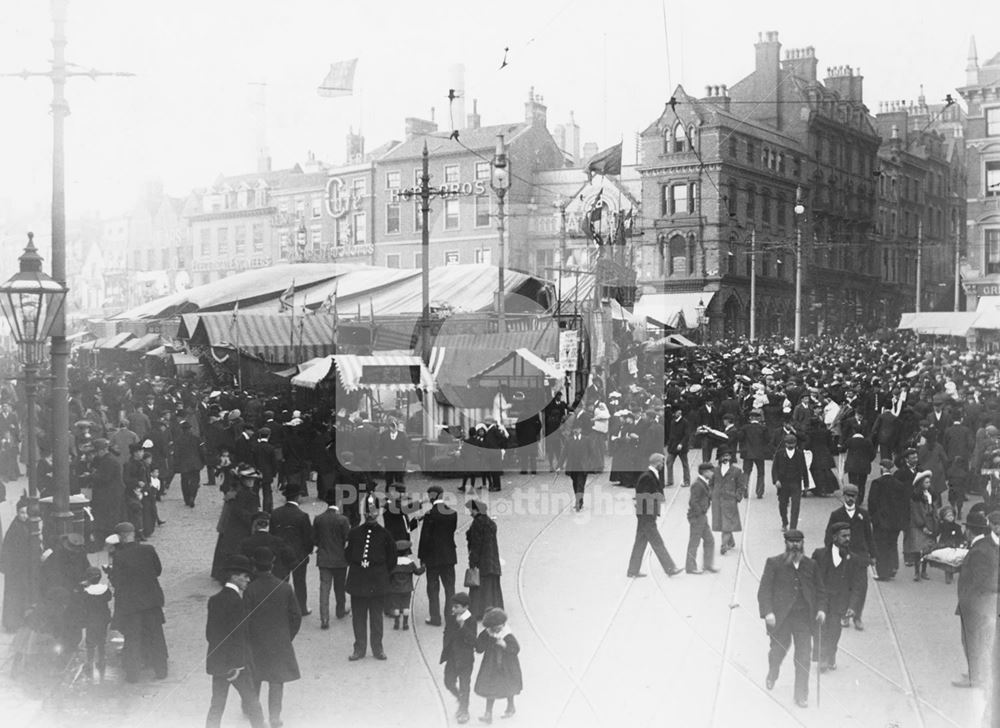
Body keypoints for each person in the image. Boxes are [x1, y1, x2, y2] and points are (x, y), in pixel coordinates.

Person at [757, 529, 826, 709]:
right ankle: (773, 672)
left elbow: (821, 590)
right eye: (791, 542)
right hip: (781, 619)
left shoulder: (811, 565)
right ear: (785, 543)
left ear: (803, 543)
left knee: (803, 656)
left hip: (803, 618)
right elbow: (764, 591)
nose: (795, 545)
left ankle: (801, 695)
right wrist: (768, 612)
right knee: (777, 652)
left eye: (798, 542)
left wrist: (821, 609)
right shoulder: (774, 563)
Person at [204, 554, 266, 728]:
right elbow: (238, 636)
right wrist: (236, 665)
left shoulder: (214, 600)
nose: (248, 579)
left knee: (216, 705)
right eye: (245, 576)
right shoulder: (238, 602)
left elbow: (211, 635)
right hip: (237, 665)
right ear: (234, 576)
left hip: (218, 663)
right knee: (253, 704)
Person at [243, 547, 301, 728]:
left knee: (255, 679)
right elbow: (296, 617)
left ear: (254, 566)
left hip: (256, 643)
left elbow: (244, 619)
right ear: (273, 563)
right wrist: (286, 636)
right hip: (279, 642)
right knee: (276, 681)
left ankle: (255, 717)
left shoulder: (249, 590)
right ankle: (275, 718)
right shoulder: (285, 587)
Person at [109, 521, 168, 683]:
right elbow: (157, 570)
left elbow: (118, 582)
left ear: (120, 537)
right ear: (133, 534)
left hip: (131, 605)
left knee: (133, 638)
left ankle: (132, 675)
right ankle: (161, 670)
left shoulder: (119, 556)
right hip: (151, 601)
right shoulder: (148, 550)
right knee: (156, 635)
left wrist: (110, 574)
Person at [952, 510, 999, 688]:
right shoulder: (986, 546)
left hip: (976, 604)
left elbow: (982, 581)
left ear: (968, 531)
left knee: (972, 640)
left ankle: (975, 677)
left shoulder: (979, 550)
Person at [346, 495, 396, 661]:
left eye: (373, 513)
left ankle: (377, 648)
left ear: (378, 513)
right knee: (358, 618)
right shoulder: (353, 533)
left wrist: (379, 571)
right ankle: (359, 649)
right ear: (363, 514)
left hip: (377, 582)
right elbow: (348, 555)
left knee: (376, 618)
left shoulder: (386, 534)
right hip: (358, 582)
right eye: (368, 513)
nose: (370, 516)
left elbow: (392, 559)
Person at [811, 523, 866, 672]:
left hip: (839, 602)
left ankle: (831, 654)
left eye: (849, 535)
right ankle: (823, 657)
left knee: (835, 630)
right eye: (844, 536)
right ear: (834, 537)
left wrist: (853, 606)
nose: (847, 539)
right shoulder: (820, 554)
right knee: (820, 629)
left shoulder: (854, 559)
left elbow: (857, 585)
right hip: (821, 600)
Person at [824, 483, 874, 629]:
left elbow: (869, 535)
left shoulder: (863, 514)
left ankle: (857, 616)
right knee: (844, 586)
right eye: (847, 496)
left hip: (861, 556)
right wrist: (831, 553)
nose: (850, 499)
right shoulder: (836, 514)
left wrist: (873, 555)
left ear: (857, 497)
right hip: (843, 556)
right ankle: (845, 615)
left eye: (853, 496)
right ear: (843, 496)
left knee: (861, 587)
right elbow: (828, 536)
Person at [628, 453, 683, 578]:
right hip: (646, 516)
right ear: (657, 463)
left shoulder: (650, 475)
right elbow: (642, 496)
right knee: (657, 542)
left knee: (640, 543)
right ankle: (670, 568)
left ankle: (632, 570)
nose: (663, 465)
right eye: (662, 463)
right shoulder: (648, 476)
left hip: (646, 516)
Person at [211, 465, 261, 583]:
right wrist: (254, 520)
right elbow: (241, 511)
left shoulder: (236, 491)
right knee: (237, 551)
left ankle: (221, 573)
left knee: (227, 549)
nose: (251, 481)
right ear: (242, 479)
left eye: (252, 479)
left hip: (231, 526)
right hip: (241, 528)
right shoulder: (247, 494)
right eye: (248, 479)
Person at [270, 484, 314, 615]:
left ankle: (279, 609)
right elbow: (308, 538)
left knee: (280, 582)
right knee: (300, 583)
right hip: (298, 555)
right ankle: (302, 608)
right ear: (298, 497)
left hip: (280, 553)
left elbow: (271, 534)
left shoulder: (275, 513)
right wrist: (308, 551)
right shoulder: (302, 516)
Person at [474, 607, 522, 724]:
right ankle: (488, 713)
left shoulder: (507, 635)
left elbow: (516, 649)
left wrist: (505, 645)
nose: (495, 630)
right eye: (493, 628)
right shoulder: (487, 633)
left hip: (507, 665)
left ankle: (510, 707)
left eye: (498, 627)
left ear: (503, 624)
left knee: (508, 686)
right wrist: (481, 643)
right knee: (491, 687)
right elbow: (479, 647)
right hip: (491, 665)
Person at [418, 484, 458, 627]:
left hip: (432, 558)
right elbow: (451, 532)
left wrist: (422, 558)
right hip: (448, 556)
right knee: (450, 588)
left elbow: (425, 538)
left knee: (433, 589)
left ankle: (435, 617)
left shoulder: (430, 515)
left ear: (431, 496)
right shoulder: (452, 513)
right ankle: (450, 616)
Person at [313, 490, 351, 628]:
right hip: (340, 559)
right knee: (340, 587)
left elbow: (315, 539)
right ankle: (340, 610)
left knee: (324, 589)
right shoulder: (343, 520)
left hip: (323, 558)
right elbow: (347, 540)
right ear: (339, 502)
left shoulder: (318, 518)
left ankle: (324, 618)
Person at [867, 459, 910, 581]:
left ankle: (883, 572)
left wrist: (873, 518)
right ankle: (893, 568)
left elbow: (872, 502)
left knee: (881, 546)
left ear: (882, 468)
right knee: (892, 544)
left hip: (881, 522)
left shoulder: (877, 483)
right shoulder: (899, 484)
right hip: (895, 522)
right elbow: (904, 504)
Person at [441, 592, 477, 725]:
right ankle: (460, 699)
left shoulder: (471, 620)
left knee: (464, 685)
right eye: (453, 607)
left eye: (456, 607)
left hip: (465, 659)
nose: (453, 609)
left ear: (465, 607)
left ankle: (464, 710)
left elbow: (474, 641)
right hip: (452, 657)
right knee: (448, 682)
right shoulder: (451, 618)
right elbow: (447, 631)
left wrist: (463, 627)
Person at [466, 499, 504, 620]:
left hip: (482, 562)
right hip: (492, 562)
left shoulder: (477, 523)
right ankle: (493, 609)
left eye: (471, 510)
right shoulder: (490, 523)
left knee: (479, 587)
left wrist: (473, 562)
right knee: (491, 587)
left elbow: (476, 545)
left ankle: (478, 612)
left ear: (476, 510)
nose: (470, 512)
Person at [1, 498, 34, 632]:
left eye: (27, 513)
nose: (25, 516)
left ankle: (16, 621)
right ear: (17, 513)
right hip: (15, 569)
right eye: (22, 513)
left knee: (18, 595)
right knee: (14, 595)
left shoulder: (22, 525)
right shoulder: (16, 528)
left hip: (19, 568)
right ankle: (12, 624)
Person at [75, 565, 112, 682]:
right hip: (103, 618)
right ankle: (101, 660)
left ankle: (89, 662)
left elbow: (81, 601)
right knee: (102, 640)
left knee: (90, 642)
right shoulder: (105, 589)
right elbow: (109, 597)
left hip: (91, 619)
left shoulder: (86, 591)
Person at [685, 462, 719, 574]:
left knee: (709, 540)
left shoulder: (704, 483)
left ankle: (707, 565)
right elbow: (693, 502)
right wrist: (700, 512)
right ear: (704, 472)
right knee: (694, 542)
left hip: (701, 517)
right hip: (697, 517)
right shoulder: (697, 484)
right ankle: (690, 567)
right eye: (710, 471)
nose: (712, 473)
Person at [711, 450, 747, 556]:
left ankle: (724, 545)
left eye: (728, 456)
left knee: (726, 523)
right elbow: (710, 484)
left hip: (730, 500)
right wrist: (711, 495)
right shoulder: (715, 470)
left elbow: (741, 486)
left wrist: (737, 497)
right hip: (717, 501)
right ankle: (731, 541)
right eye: (723, 456)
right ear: (719, 457)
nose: (726, 458)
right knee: (722, 522)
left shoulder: (736, 471)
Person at [904, 471, 938, 581]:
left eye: (929, 482)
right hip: (918, 524)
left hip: (930, 522)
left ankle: (924, 571)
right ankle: (917, 572)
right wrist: (922, 526)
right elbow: (915, 512)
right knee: (918, 549)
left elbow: (934, 508)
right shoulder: (915, 496)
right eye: (926, 482)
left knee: (927, 548)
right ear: (920, 483)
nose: (928, 484)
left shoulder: (931, 494)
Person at [772, 433, 809, 532]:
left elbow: (804, 469)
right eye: (789, 444)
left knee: (796, 505)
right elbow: (774, 468)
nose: (791, 446)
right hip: (783, 484)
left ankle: (793, 527)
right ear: (785, 444)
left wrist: (806, 484)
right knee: (782, 505)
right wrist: (776, 480)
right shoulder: (779, 453)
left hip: (796, 483)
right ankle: (784, 522)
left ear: (795, 444)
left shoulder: (800, 454)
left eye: (792, 444)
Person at [389, 539, 424, 630]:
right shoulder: (410, 563)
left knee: (396, 606)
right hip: (407, 588)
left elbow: (388, 574)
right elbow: (417, 572)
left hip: (395, 588)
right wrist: (423, 567)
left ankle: (396, 623)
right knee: (406, 605)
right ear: (407, 552)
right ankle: (405, 624)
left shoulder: (393, 563)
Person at [739, 410, 770, 498]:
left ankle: (745, 489)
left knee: (746, 472)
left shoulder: (745, 428)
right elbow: (767, 440)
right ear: (759, 418)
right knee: (761, 473)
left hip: (747, 453)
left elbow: (740, 438)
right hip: (760, 453)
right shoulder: (763, 428)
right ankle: (759, 492)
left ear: (750, 418)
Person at [173, 419, 204, 508]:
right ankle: (192, 497)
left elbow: (176, 453)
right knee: (195, 480)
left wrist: (176, 464)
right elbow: (201, 451)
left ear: (182, 430)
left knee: (184, 481)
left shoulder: (178, 440)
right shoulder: (196, 438)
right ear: (190, 429)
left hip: (184, 464)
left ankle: (186, 499)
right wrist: (203, 461)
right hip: (195, 463)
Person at [563, 424, 593, 511]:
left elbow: (591, 452)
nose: (576, 431)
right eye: (574, 429)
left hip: (583, 467)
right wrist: (559, 466)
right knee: (575, 484)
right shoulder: (569, 440)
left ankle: (578, 502)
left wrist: (589, 463)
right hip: (573, 467)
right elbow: (564, 453)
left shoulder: (586, 439)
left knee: (580, 484)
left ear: (581, 429)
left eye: (578, 429)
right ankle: (580, 499)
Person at [842, 429, 876, 504]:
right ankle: (860, 500)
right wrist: (868, 460)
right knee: (862, 483)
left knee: (852, 482)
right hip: (864, 466)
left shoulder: (850, 441)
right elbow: (873, 454)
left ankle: (851, 498)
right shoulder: (868, 442)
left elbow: (842, 449)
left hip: (852, 465)